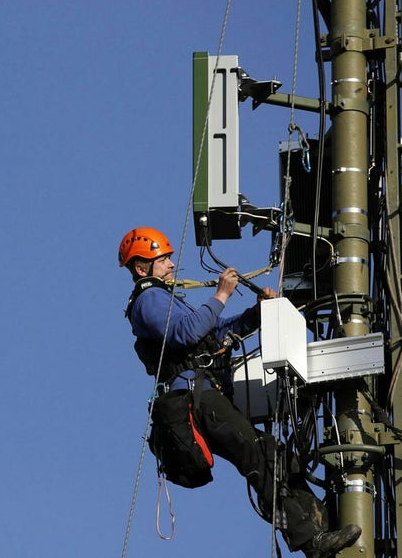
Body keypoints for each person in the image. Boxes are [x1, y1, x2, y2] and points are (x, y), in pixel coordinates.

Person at [118, 227, 361, 557]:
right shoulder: (148, 299)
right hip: (195, 397)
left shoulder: (168, 299)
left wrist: (256, 313)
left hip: (208, 394)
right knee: (257, 456)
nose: (171, 264)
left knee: (273, 453)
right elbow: (186, 333)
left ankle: (322, 525)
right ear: (141, 268)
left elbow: (215, 331)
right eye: (162, 260)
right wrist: (221, 295)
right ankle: (311, 541)